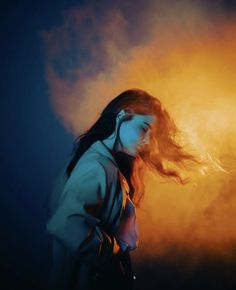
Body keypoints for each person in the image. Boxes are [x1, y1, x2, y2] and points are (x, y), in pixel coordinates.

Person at [45, 89, 199, 290]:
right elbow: (66, 226)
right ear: (121, 116)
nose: (148, 142)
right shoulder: (97, 166)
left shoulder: (107, 164)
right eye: (144, 129)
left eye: (153, 136)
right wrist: (117, 246)